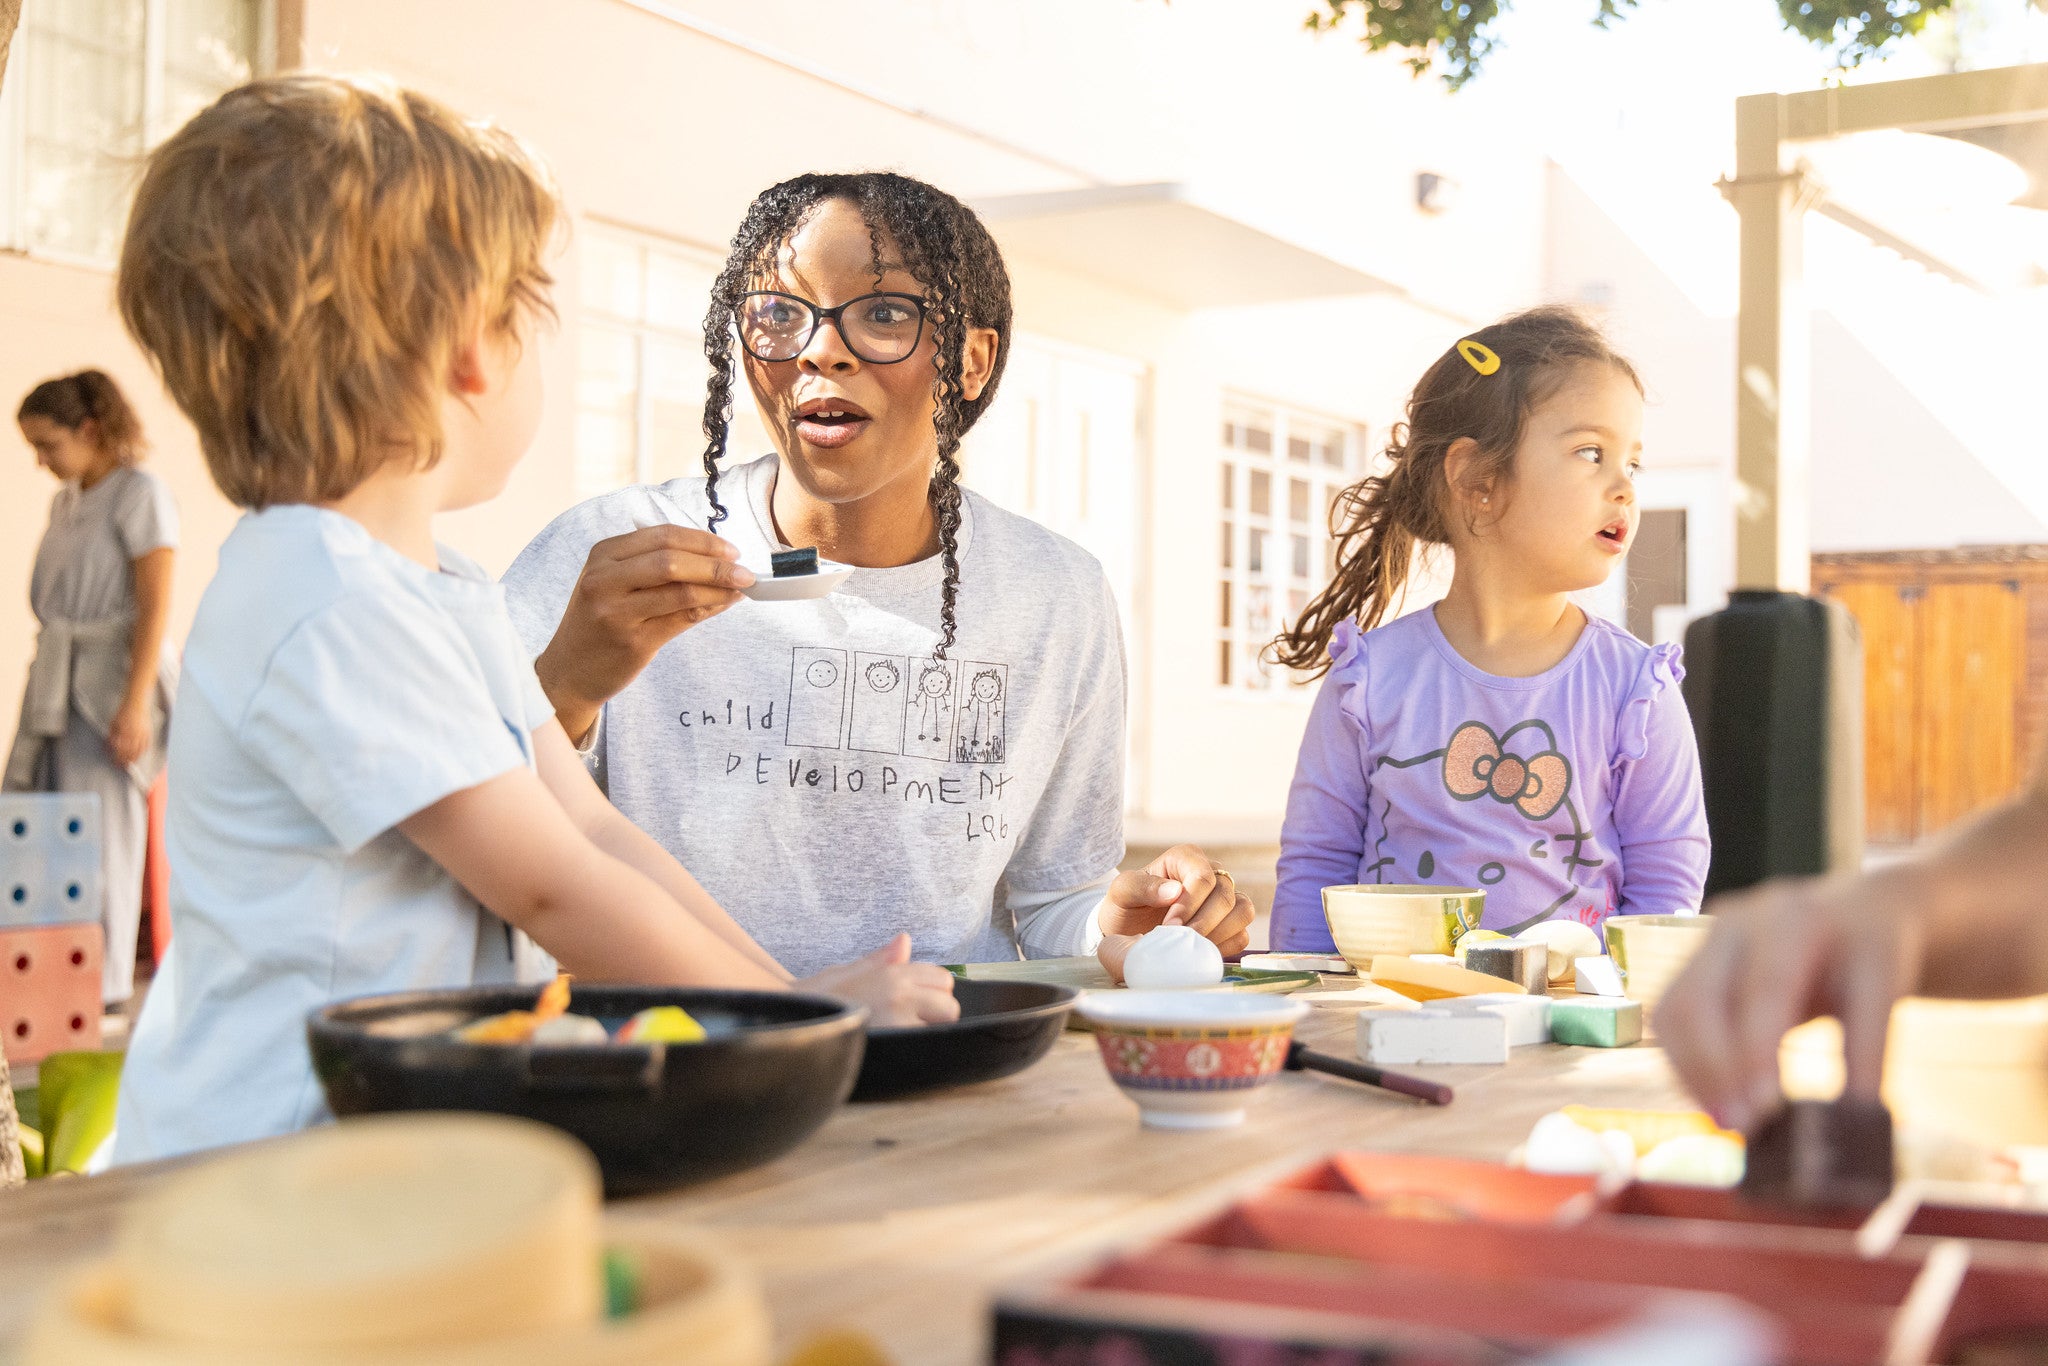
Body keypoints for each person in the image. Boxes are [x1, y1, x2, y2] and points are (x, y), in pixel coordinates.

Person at [108, 75, 953, 1164]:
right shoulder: (326, 604)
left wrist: (797, 1005)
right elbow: (552, 884)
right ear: (471, 350)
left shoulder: (435, 588)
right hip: (270, 1155)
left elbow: (596, 833)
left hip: (383, 1145)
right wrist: (815, 1027)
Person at [502, 172, 1253, 986]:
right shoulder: (610, 556)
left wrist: (1121, 919)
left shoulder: (1057, 595)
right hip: (692, 1057)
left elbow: (1051, 902)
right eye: (780, 313)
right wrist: (568, 684)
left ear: (971, 361)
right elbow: (481, 836)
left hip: (953, 1054)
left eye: (886, 313)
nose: (821, 348)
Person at [1267, 307, 1708, 949]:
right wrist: (1307, 1019)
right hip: (1389, 1029)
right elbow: (1315, 871)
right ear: (1478, 478)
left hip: (1565, 1037)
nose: (1625, 489)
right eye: (1592, 452)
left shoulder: (1636, 689)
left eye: (1632, 463)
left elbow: (1667, 890)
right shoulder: (1367, 679)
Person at [6, 369, 177, 1005]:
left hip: (109, 688)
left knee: (102, 838)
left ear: (90, 429)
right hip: (56, 684)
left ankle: (101, 990)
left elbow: (155, 601)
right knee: (44, 833)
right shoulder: (68, 499)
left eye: (48, 445)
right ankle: (49, 977)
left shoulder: (141, 494)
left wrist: (136, 704)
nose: (41, 461)